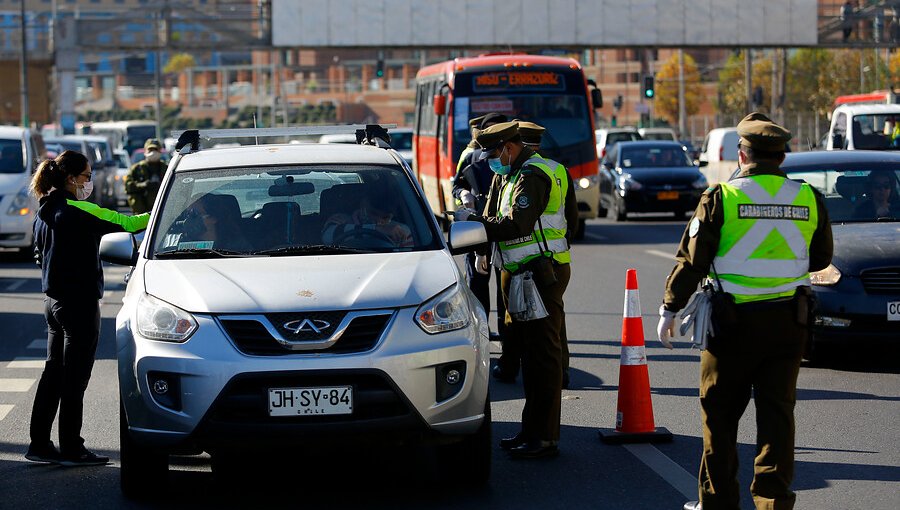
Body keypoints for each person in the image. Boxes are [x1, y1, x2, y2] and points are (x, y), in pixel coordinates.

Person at [656, 113, 833, 510]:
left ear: (742, 154)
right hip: (789, 324)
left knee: (719, 417)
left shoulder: (723, 197)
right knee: (777, 418)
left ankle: (717, 503)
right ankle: (772, 503)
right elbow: (821, 257)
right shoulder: (807, 197)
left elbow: (692, 261)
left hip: (731, 326)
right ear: (782, 158)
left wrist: (670, 306)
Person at [455, 121, 573, 459]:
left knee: (542, 358)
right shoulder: (504, 176)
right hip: (516, 273)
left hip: (539, 274)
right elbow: (492, 215)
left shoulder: (533, 176)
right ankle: (530, 430)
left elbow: (515, 224)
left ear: (509, 147)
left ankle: (544, 436)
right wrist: (481, 248)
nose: (491, 160)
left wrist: (472, 224)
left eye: (494, 153)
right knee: (527, 356)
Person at [26, 150, 150, 467]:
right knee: (76, 378)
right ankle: (72, 447)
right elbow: (128, 223)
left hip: (52, 304)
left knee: (53, 374)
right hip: (79, 304)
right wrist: (167, 210)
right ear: (71, 179)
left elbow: (39, 256)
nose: (90, 181)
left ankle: (39, 445)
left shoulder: (44, 210)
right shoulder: (81, 211)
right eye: (87, 176)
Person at [453, 112, 509, 358]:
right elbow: (459, 184)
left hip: (504, 234)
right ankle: (480, 338)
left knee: (506, 293)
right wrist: (464, 196)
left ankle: (508, 342)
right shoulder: (473, 157)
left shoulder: (511, 158)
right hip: (477, 231)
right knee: (477, 288)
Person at [322, 189, 413, 248]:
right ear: (363, 204)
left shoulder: (401, 231)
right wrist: (377, 229)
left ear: (392, 215)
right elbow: (327, 237)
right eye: (373, 213)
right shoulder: (340, 219)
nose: (378, 220)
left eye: (385, 217)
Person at [177, 193, 252, 252]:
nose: (188, 219)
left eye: (194, 214)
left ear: (213, 218)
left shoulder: (238, 247)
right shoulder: (181, 245)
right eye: (187, 214)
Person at [125, 138, 166, 214]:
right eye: (150, 150)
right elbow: (128, 186)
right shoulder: (136, 169)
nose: (153, 152)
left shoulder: (167, 168)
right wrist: (143, 185)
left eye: (155, 150)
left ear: (160, 151)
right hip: (142, 213)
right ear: (145, 151)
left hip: (162, 212)